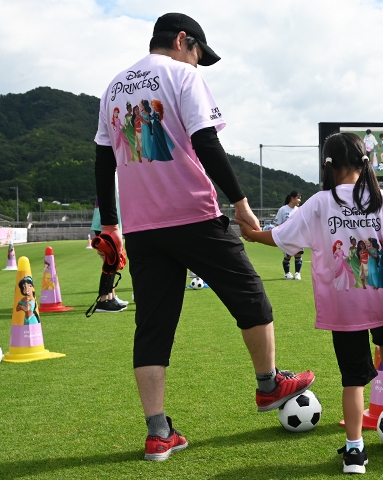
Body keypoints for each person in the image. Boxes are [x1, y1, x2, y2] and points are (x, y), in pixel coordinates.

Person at [94, 13, 314, 461]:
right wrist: (241, 204)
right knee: (252, 297)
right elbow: (207, 143)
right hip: (193, 215)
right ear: (182, 40)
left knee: (153, 326)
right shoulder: (181, 76)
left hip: (141, 227)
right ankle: (269, 385)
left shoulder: (113, 87)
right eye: (198, 54)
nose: (198, 64)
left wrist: (111, 225)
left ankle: (158, 433)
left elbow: (103, 159)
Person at [237, 132, 383, 474]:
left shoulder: (320, 202)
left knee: (352, 380)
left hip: (343, 307)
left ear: (328, 165)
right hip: (381, 296)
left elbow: (281, 237)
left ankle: (354, 453)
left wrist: (250, 234)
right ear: (365, 162)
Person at [273, 190, 303, 280]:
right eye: (298, 198)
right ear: (292, 198)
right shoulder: (283, 209)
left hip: (298, 236)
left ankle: (297, 273)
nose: (299, 200)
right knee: (288, 255)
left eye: (300, 199)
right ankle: (287, 273)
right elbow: (278, 224)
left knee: (298, 254)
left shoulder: (299, 210)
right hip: (286, 237)